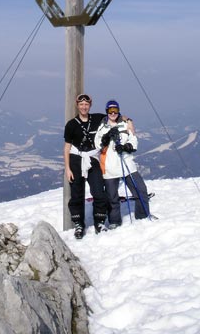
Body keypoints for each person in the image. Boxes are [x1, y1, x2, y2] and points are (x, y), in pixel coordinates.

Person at [64, 94, 135, 239]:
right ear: (77, 105)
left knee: (99, 192)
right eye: (81, 104)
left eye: (86, 104)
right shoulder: (71, 124)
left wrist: (129, 120)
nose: (84, 107)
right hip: (76, 159)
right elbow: (66, 147)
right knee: (77, 193)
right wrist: (67, 168)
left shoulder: (97, 119)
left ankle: (100, 221)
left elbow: (114, 115)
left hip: (92, 158)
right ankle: (79, 224)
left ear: (90, 105)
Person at [95, 99, 152, 228]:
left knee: (141, 190)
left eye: (115, 110)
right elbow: (97, 144)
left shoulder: (125, 124)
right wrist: (106, 137)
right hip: (109, 166)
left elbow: (133, 140)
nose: (113, 113)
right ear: (107, 111)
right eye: (110, 110)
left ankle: (142, 216)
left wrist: (127, 147)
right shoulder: (102, 127)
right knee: (112, 197)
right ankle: (114, 221)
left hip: (127, 164)